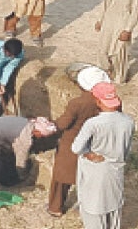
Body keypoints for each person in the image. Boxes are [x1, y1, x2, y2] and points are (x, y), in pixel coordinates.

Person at [47, 65, 109, 218]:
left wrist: (49, 126)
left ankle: (55, 207)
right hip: (96, 143)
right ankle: (85, 207)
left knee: (61, 177)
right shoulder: (108, 101)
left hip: (72, 143)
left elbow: (64, 123)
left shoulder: (77, 103)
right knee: (89, 179)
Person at [71, 82, 135, 229]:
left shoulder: (93, 123)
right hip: (116, 171)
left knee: (94, 210)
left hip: (95, 173)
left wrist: (88, 153)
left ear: (98, 101)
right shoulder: (128, 121)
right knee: (113, 209)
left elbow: (76, 148)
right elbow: (127, 149)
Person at [95, 0, 138, 83]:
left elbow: (136, 11)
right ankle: (105, 71)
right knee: (103, 49)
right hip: (108, 21)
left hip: (123, 22)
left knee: (119, 52)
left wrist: (128, 29)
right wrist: (100, 19)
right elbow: (106, 2)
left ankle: (119, 78)